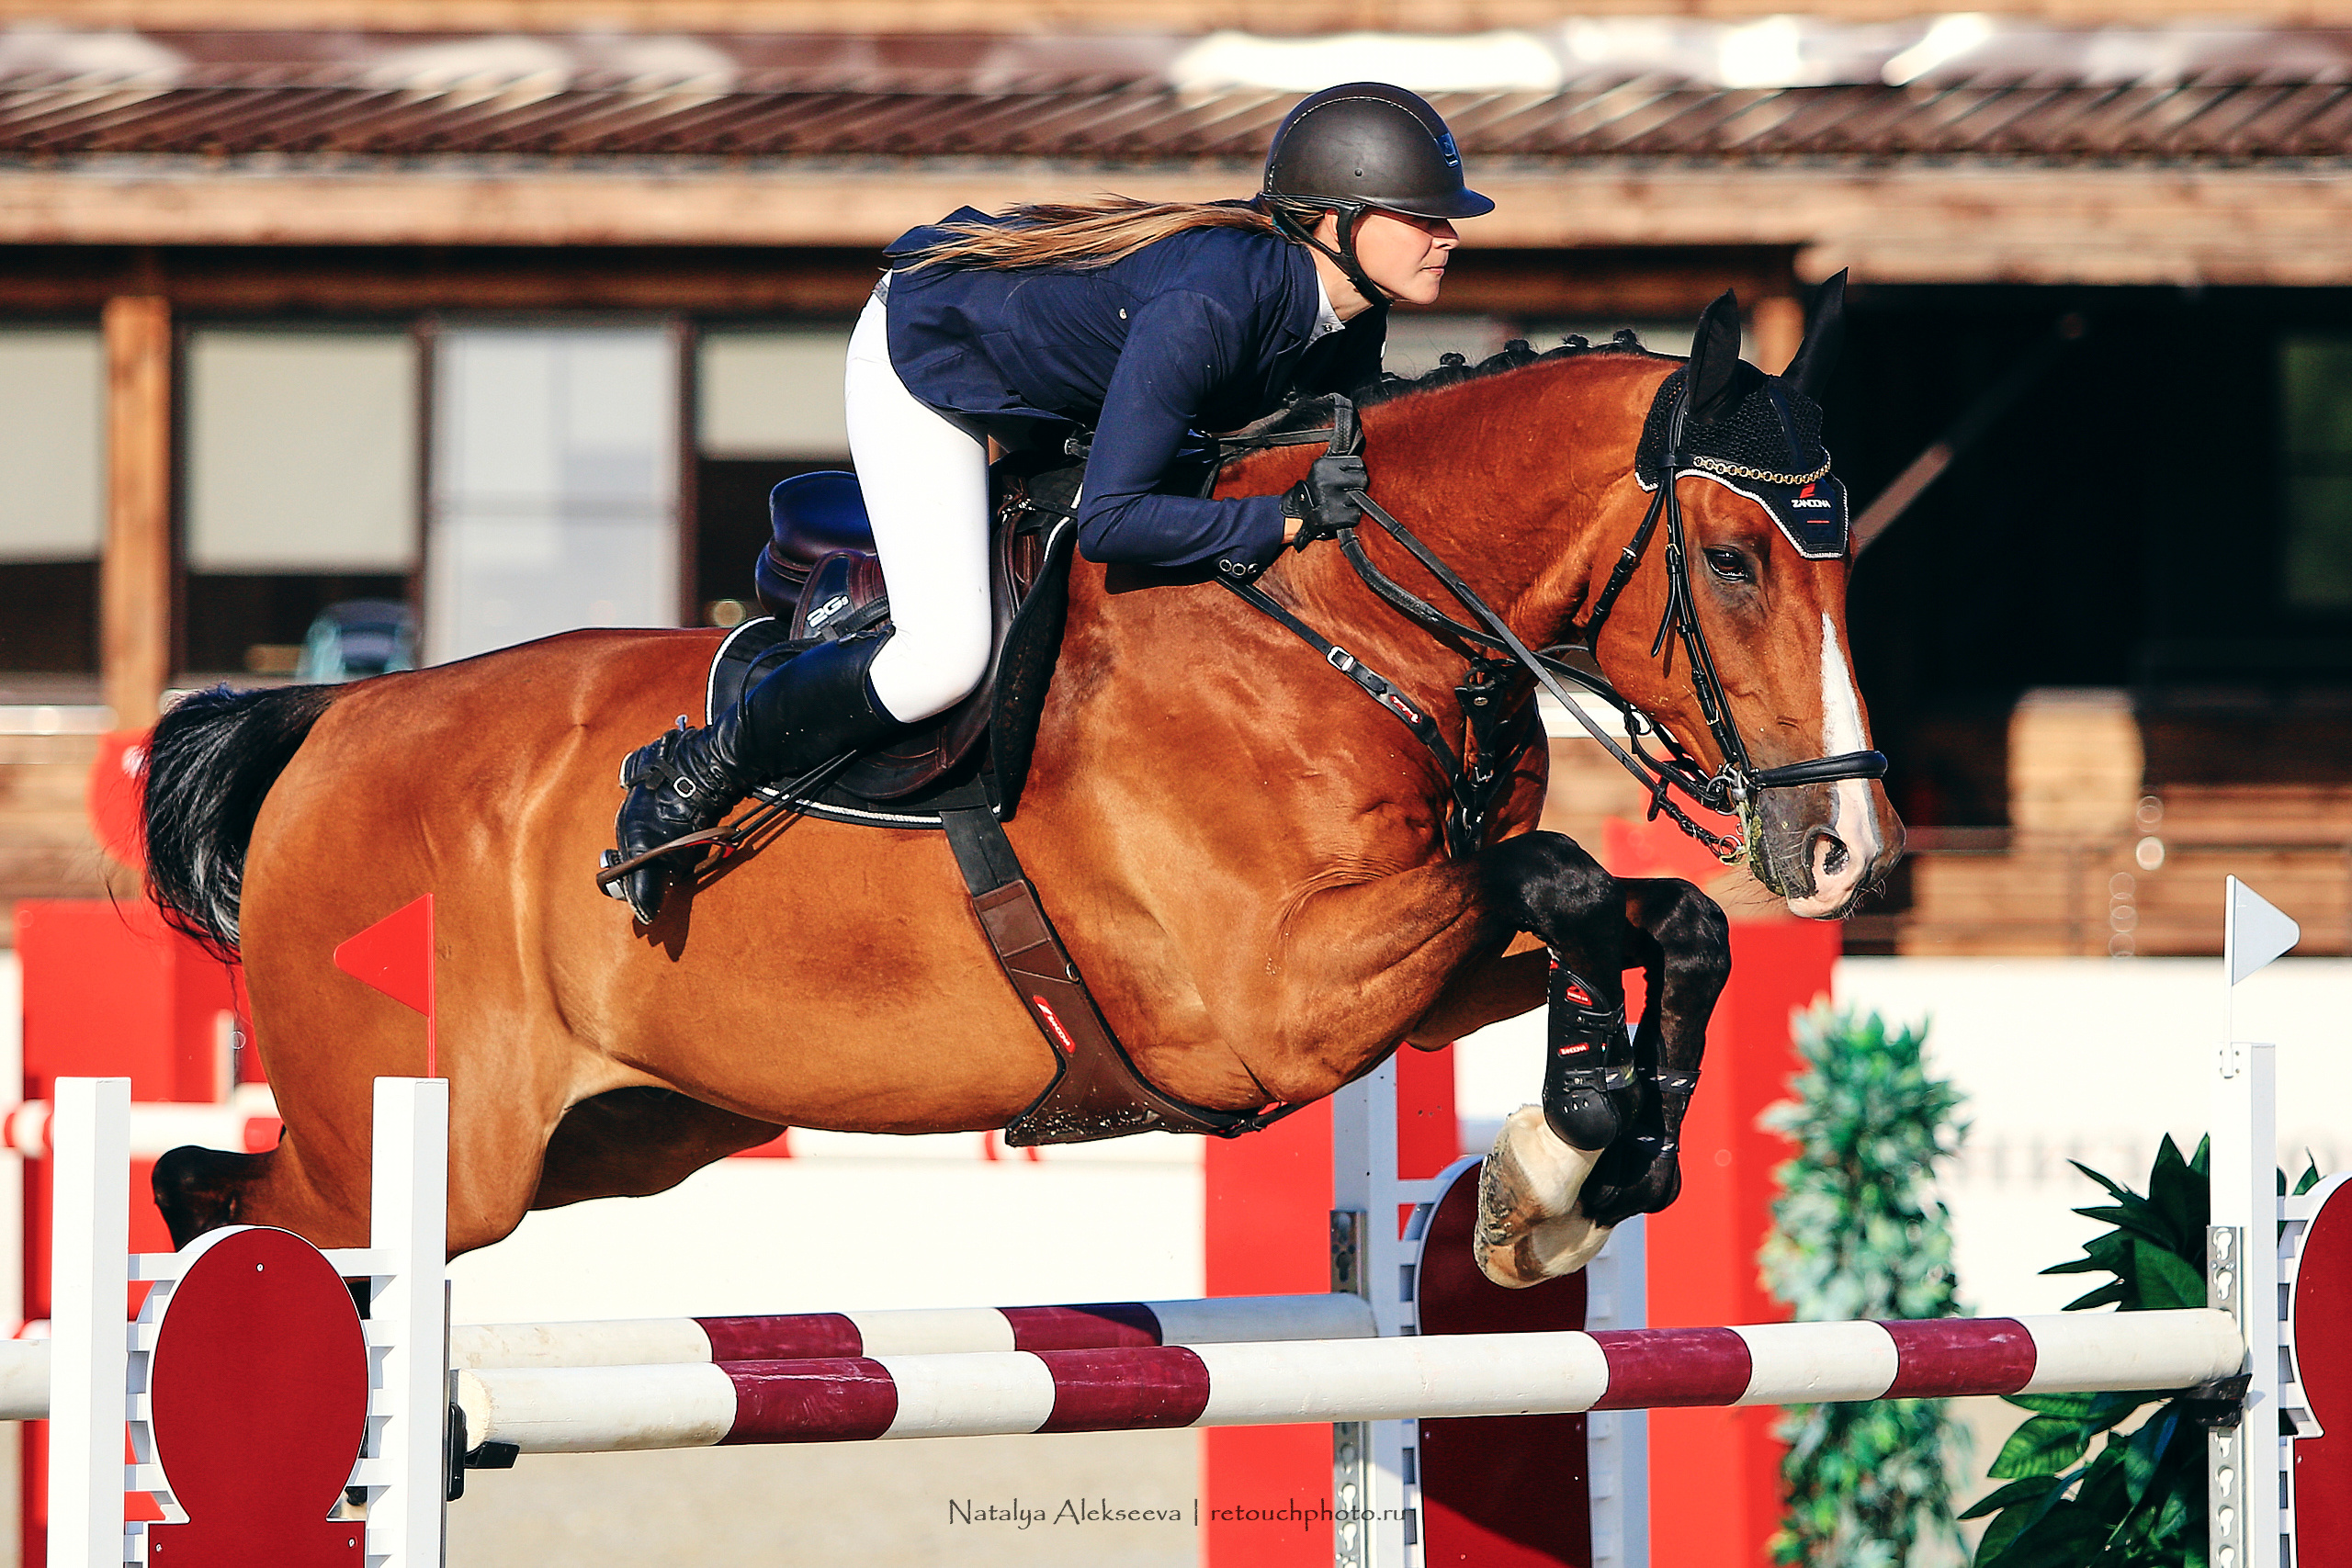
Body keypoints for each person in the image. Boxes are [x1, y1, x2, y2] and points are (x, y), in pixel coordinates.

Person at [610, 82, 1493, 921]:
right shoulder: (1212, 304)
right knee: (945, 658)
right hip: (934, 362)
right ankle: (700, 764)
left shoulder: (1350, 319)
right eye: (1423, 216)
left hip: (1069, 394)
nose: (1448, 236)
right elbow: (1116, 523)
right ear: (1335, 222)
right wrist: (1288, 517)